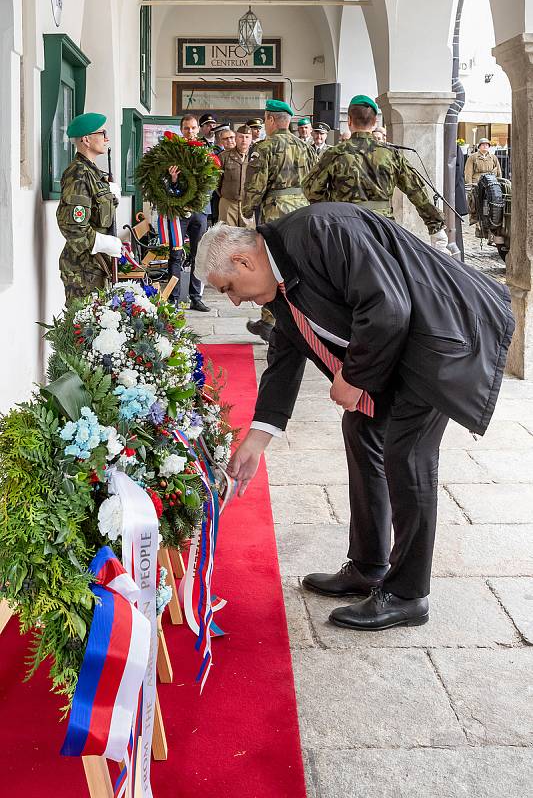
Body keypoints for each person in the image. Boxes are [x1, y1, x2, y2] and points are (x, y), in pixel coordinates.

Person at [195, 206, 514, 630]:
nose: (234, 300)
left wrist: (353, 376)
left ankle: (407, 594)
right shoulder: (280, 271)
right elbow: (286, 353)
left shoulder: (320, 233)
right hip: (402, 343)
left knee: (408, 453)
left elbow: (388, 308)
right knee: (362, 429)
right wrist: (258, 437)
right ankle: (369, 566)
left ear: (243, 261)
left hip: (441, 331)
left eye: (230, 287)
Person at [303, 95, 449, 253]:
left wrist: (335, 204)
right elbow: (416, 191)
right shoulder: (391, 154)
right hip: (382, 228)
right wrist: (436, 228)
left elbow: (310, 189)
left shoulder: (334, 153)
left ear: (349, 121)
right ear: (375, 123)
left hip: (344, 227)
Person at [241, 99, 317, 342]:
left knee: (272, 268)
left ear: (272, 120)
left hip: (275, 214)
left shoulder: (264, 147)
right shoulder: (306, 147)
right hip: (302, 212)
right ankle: (298, 317)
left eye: (266, 119)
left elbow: (256, 185)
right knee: (298, 266)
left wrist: (247, 208)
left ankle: (270, 320)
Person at [57, 112, 122, 304]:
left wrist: (112, 197)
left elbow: (96, 212)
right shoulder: (78, 174)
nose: (106, 138)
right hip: (82, 269)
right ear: (86, 139)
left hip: (96, 265)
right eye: (102, 133)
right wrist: (103, 242)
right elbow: (73, 228)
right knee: (83, 328)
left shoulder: (93, 173)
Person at [167, 114, 210, 311]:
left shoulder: (206, 151)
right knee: (176, 255)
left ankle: (196, 297)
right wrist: (174, 180)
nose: (190, 131)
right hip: (178, 211)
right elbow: (164, 182)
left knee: (198, 255)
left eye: (193, 128)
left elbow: (211, 182)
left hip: (200, 211)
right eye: (186, 128)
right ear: (181, 129)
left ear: (198, 129)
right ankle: (173, 298)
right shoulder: (173, 152)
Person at [217, 126, 255, 228]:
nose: (244, 140)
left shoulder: (256, 156)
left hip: (248, 204)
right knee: (226, 237)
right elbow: (216, 182)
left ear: (251, 139)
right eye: (241, 137)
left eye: (247, 137)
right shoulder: (224, 156)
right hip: (228, 203)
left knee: (247, 237)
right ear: (236, 138)